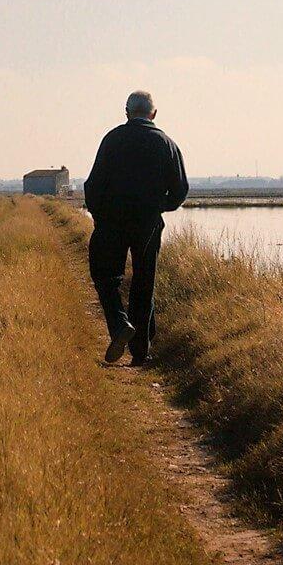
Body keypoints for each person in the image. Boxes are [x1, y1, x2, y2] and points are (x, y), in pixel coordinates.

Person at [81, 90, 189, 365]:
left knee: (105, 276)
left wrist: (99, 215)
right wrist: (158, 206)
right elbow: (180, 190)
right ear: (154, 113)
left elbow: (92, 185)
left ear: (127, 112)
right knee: (144, 281)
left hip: (111, 221)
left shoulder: (113, 139)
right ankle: (140, 352)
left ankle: (119, 324)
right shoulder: (166, 144)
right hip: (148, 222)